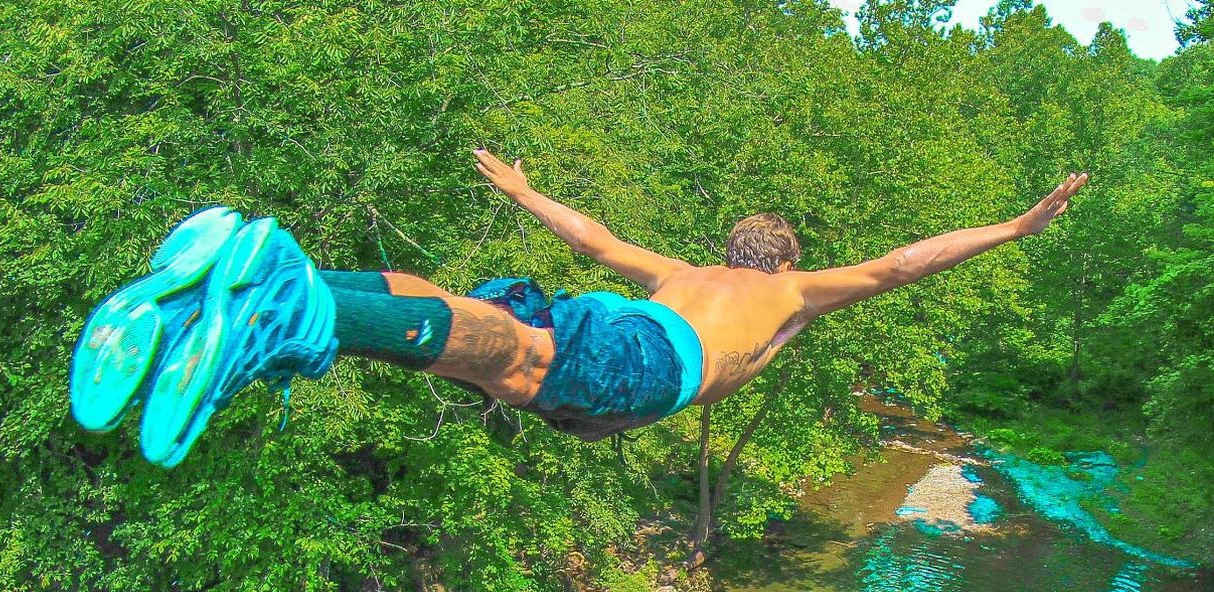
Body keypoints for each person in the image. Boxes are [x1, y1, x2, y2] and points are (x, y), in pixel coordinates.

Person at [69, 151, 1088, 465]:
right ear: (786, 260)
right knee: (513, 359)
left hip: (631, 325)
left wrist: (518, 190)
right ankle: (301, 314)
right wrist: (1008, 229)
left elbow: (592, 240)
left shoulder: (677, 270)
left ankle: (264, 292)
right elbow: (902, 264)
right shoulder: (786, 294)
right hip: (659, 362)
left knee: (473, 325)